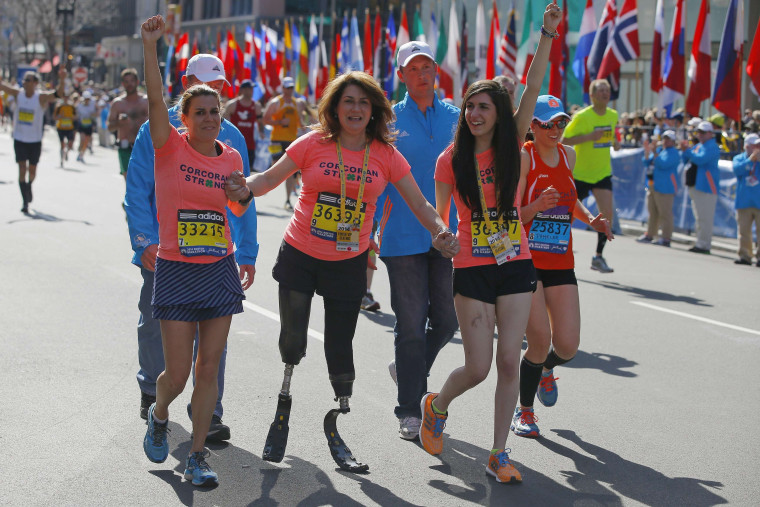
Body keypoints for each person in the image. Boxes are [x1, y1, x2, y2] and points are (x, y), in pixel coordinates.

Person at [224, 70, 458, 473]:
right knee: (293, 340)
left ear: (374, 111)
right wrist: (242, 186)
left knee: (339, 347)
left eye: (363, 102)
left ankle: (339, 416)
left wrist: (440, 231)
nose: (355, 109)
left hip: (348, 263)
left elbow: (420, 204)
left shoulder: (385, 155)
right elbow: (267, 179)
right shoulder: (313, 143)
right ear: (335, 107)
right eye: (348, 101)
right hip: (300, 254)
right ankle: (285, 394)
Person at [420, 1, 561, 485]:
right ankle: (436, 405)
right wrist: (442, 237)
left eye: (484, 106)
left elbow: (533, 87)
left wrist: (546, 35)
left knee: (507, 361)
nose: (475, 113)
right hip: (473, 270)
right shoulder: (449, 159)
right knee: (477, 367)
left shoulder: (512, 145)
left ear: (500, 114)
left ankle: (498, 452)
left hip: (516, 264)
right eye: (470, 106)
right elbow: (438, 215)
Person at [139, 15, 254, 487]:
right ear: (183, 119)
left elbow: (239, 210)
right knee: (179, 373)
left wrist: (241, 194)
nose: (209, 118)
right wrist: (150, 46)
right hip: (176, 268)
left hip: (218, 268)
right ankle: (161, 411)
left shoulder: (230, 156)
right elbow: (155, 95)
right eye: (200, 111)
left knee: (210, 367)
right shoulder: (168, 146)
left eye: (215, 111)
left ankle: (199, 454)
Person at [511, 95, 613, 439]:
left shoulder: (569, 155)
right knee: (539, 341)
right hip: (527, 262)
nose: (556, 129)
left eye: (561, 123)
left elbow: (573, 198)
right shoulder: (525, 157)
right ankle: (524, 411)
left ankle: (544, 370)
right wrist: (537, 205)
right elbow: (512, 216)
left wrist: (590, 219)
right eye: (547, 123)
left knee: (567, 346)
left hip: (561, 261)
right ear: (532, 126)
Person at [374, 40, 460, 441]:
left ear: (435, 71)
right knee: (410, 324)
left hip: (449, 236)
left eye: (427, 67)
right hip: (402, 236)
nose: (422, 74)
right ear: (402, 75)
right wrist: (366, 234)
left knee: (446, 318)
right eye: (413, 68)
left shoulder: (459, 118)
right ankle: (410, 407)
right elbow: (375, 178)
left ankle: (409, 368)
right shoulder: (387, 121)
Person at [561, 78, 620, 273]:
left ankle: (598, 256)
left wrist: (615, 142)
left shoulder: (613, 115)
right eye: (600, 90)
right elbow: (565, 139)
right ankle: (559, 248)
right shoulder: (582, 116)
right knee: (566, 215)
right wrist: (588, 138)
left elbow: (612, 137)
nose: (605, 93)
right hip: (580, 174)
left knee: (606, 217)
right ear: (592, 95)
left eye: (607, 90)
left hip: (602, 173)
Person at [0, 69, 66, 213]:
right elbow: (3, 86)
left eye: (28, 80)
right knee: (22, 168)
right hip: (19, 138)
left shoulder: (40, 97)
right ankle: (25, 201)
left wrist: (62, 80)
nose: (25, 83)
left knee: (32, 170)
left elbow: (58, 94)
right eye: (24, 80)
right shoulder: (18, 94)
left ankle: (29, 185)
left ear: (35, 83)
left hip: (35, 140)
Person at [262, 76, 314, 210]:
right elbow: (265, 119)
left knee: (290, 172)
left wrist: (308, 128)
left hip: (291, 140)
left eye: (291, 88)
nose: (289, 90)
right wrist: (279, 122)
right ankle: (264, 183)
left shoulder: (296, 103)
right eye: (287, 88)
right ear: (283, 88)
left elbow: (300, 121)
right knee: (275, 165)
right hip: (276, 139)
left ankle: (287, 199)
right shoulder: (276, 102)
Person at [682, 121, 720, 254]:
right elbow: (686, 158)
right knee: (699, 217)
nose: (700, 135)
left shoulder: (713, 147)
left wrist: (687, 151)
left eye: (703, 132)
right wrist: (685, 150)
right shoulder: (698, 146)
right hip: (696, 185)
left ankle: (704, 244)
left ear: (710, 133)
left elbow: (700, 159)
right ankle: (700, 242)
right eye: (699, 132)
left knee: (705, 218)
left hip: (707, 187)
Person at [637, 130, 680, 246]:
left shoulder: (674, 153)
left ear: (673, 141)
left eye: (668, 139)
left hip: (665, 188)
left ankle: (666, 237)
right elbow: (647, 162)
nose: (665, 141)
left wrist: (654, 151)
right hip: (653, 186)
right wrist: (647, 151)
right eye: (664, 138)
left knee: (665, 213)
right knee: (652, 212)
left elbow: (662, 164)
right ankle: (650, 234)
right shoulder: (661, 151)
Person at [107, 68, 149, 178]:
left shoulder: (146, 101)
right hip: (125, 148)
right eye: (126, 81)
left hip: (144, 147)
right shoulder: (118, 104)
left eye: (132, 81)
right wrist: (119, 123)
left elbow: (158, 123)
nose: (129, 84)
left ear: (137, 82)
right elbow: (109, 127)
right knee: (130, 183)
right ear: (122, 84)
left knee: (145, 182)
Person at [732, 134, 760, 265]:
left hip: (758, 201)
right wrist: (750, 160)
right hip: (744, 201)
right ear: (747, 146)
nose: (757, 148)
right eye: (755, 145)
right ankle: (745, 255)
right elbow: (737, 171)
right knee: (744, 231)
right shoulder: (739, 158)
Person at [223, 79, 262, 169]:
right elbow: (223, 123)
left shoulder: (256, 106)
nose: (251, 91)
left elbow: (261, 123)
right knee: (232, 168)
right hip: (234, 143)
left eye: (252, 89)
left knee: (248, 169)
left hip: (250, 144)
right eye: (249, 89)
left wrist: (262, 133)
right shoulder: (233, 104)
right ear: (243, 90)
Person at [54, 94, 77, 167]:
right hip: (61, 128)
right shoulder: (59, 106)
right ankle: (61, 160)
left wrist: (71, 117)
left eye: (67, 97)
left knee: (70, 144)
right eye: (65, 97)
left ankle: (66, 153)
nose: (66, 98)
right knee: (62, 145)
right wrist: (60, 117)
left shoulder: (72, 107)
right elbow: (54, 117)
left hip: (69, 128)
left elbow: (76, 116)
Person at [75, 90, 97, 163]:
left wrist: (92, 115)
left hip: (89, 126)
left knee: (86, 141)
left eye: (88, 99)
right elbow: (76, 114)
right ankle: (79, 152)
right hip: (82, 125)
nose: (87, 101)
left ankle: (82, 154)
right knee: (82, 139)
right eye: (86, 99)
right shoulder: (79, 106)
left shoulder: (92, 106)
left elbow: (97, 113)